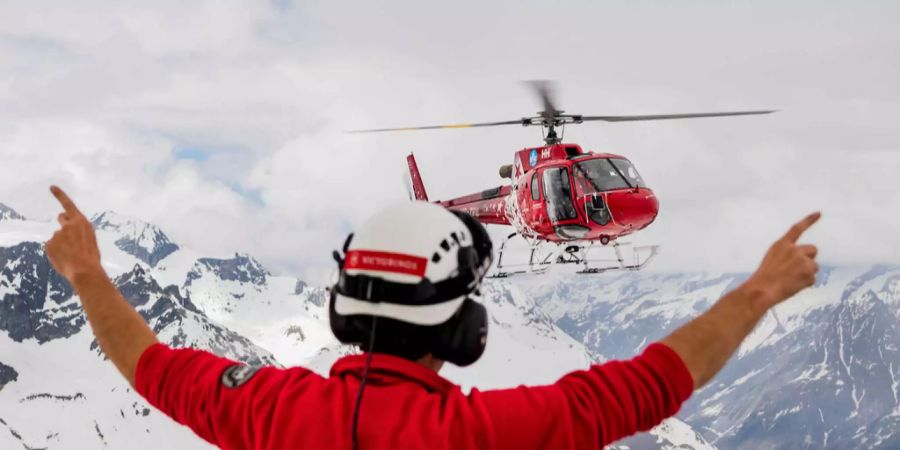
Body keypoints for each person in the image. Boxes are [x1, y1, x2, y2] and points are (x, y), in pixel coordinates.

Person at [44, 185, 821, 450]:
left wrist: (88, 274)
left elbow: (149, 366)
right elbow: (648, 384)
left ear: (344, 315)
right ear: (463, 332)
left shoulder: (269, 412)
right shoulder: (482, 434)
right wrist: (756, 293)